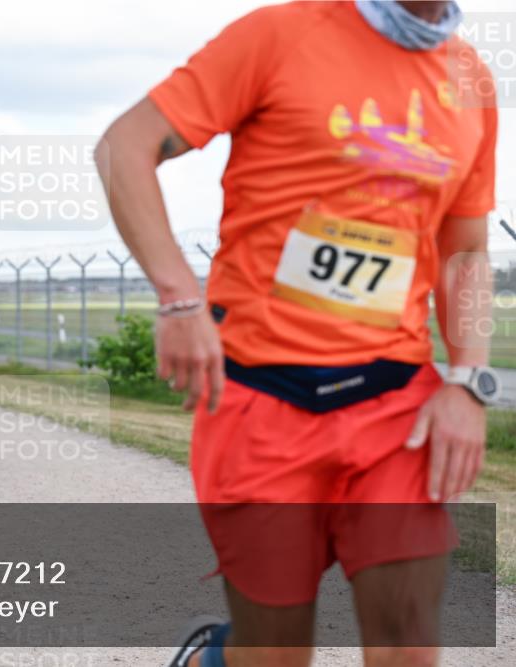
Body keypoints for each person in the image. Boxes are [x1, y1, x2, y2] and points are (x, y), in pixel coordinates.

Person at [97, 2, 499, 666]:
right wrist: (178, 298)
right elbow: (125, 146)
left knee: (408, 637)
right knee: (274, 652)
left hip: (396, 405)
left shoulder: (470, 80)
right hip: (260, 397)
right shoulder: (282, 35)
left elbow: (468, 250)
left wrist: (469, 380)